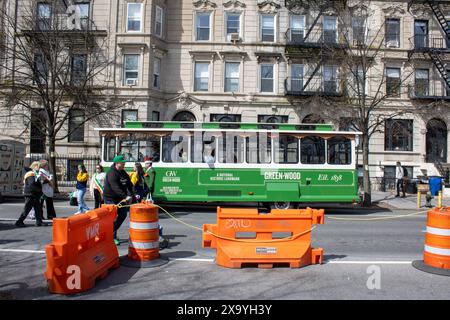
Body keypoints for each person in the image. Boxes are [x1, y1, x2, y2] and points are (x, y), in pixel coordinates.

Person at [103, 155, 136, 245]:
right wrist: (125, 196)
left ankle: (111, 232)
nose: (124, 164)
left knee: (123, 214)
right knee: (113, 217)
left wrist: (134, 195)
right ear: (117, 163)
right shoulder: (111, 173)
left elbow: (129, 184)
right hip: (110, 197)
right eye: (123, 162)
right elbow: (115, 187)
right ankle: (112, 236)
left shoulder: (123, 172)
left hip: (120, 197)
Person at [15, 161, 47, 227]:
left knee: (37, 208)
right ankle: (19, 221)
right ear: (35, 166)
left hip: (34, 194)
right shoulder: (31, 174)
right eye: (39, 167)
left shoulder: (33, 173)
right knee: (27, 209)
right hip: (31, 194)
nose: (40, 169)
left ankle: (39, 221)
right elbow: (32, 184)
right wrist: (39, 190)